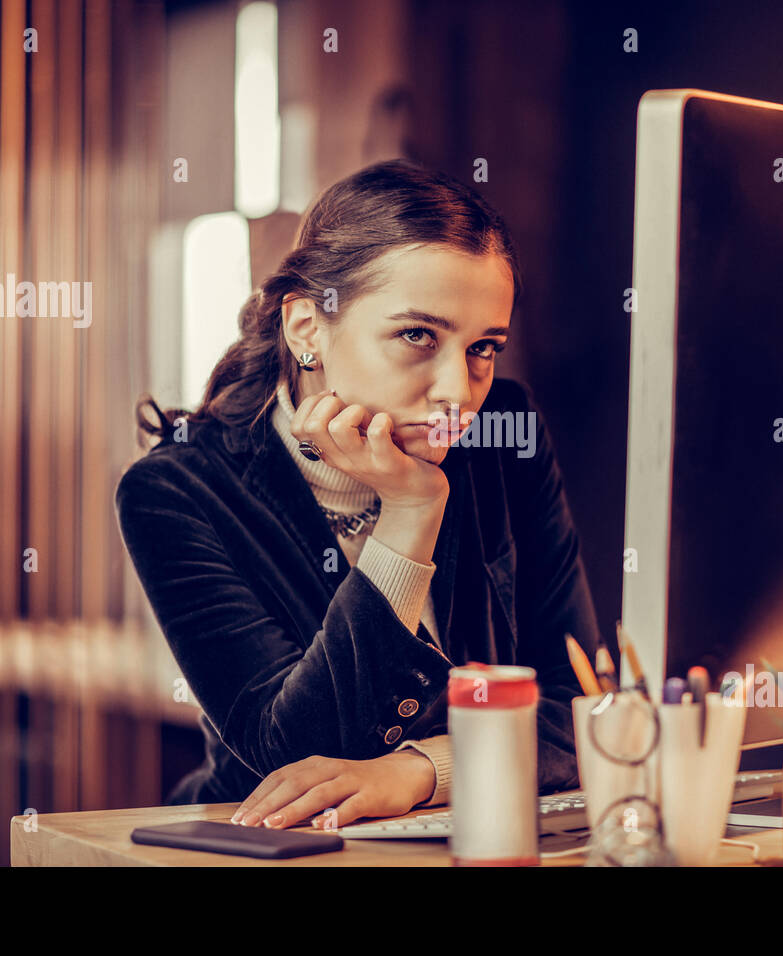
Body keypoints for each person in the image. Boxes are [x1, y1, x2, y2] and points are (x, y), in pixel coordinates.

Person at [115, 159, 600, 830]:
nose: (458, 393)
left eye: (483, 347)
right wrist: (409, 514)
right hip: (262, 847)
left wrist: (420, 772)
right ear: (308, 329)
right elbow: (292, 750)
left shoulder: (503, 436)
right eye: (417, 335)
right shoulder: (175, 491)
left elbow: (584, 707)